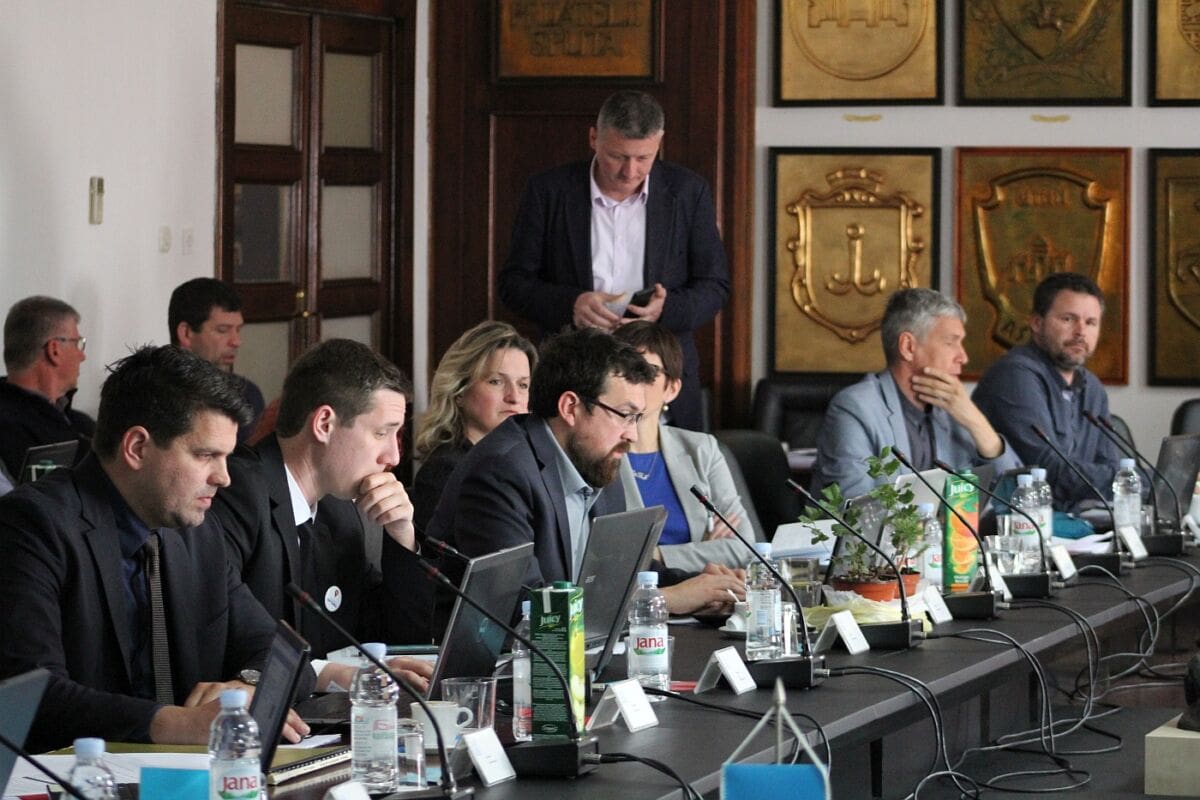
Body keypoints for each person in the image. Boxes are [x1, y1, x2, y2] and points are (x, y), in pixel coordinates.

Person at [0, 345, 311, 752]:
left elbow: (282, 655)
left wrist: (246, 687)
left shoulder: (199, 533)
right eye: (206, 455)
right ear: (137, 448)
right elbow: (30, 696)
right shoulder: (32, 525)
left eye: (226, 457)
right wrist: (174, 723)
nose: (224, 477)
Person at [408, 327, 745, 616]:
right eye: (624, 415)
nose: (632, 434)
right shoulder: (501, 471)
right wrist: (663, 600)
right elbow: (526, 607)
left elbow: (626, 569)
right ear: (570, 407)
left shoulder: (599, 458)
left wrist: (704, 586)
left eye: (637, 418)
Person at [498, 90, 730, 432]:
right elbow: (514, 284)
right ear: (594, 138)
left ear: (659, 142)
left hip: (659, 376)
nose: (629, 171)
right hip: (572, 375)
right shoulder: (549, 190)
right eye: (617, 156)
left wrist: (665, 310)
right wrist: (571, 304)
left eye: (643, 158)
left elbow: (715, 286)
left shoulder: (688, 192)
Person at [213, 338, 433, 688]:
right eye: (382, 433)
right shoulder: (237, 492)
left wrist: (402, 537)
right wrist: (327, 675)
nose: (393, 457)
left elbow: (396, 638)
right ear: (324, 424)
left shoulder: (339, 511)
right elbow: (230, 642)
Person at [812, 288, 1020, 500]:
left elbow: (1017, 496)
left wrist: (976, 422)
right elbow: (854, 509)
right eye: (951, 342)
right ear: (908, 347)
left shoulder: (955, 409)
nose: (963, 357)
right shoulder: (856, 408)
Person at [973, 272, 1128, 510]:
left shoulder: (1092, 388)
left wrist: (1124, 479)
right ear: (1037, 323)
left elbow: (1110, 466)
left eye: (1090, 322)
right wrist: (1134, 480)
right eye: (1068, 319)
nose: (1080, 331)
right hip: (1016, 521)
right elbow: (1047, 471)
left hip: (1074, 519)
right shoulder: (1015, 375)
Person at [613, 321, 761, 570]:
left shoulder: (702, 449)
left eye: (647, 371)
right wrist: (703, 550)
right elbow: (610, 554)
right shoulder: (597, 452)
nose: (633, 382)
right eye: (624, 369)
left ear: (671, 388)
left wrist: (656, 555)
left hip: (704, 590)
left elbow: (743, 547)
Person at [412, 321, 537, 532]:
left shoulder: (528, 463)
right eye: (496, 381)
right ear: (459, 391)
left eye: (523, 385)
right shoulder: (443, 471)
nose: (514, 397)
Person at [0, 295, 93, 481]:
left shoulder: (82, 424)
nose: (82, 356)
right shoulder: (7, 429)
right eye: (78, 343)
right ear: (54, 350)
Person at [169, 277, 265, 442]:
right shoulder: (152, 394)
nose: (236, 341)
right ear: (186, 333)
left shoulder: (248, 395)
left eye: (238, 330)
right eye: (223, 330)